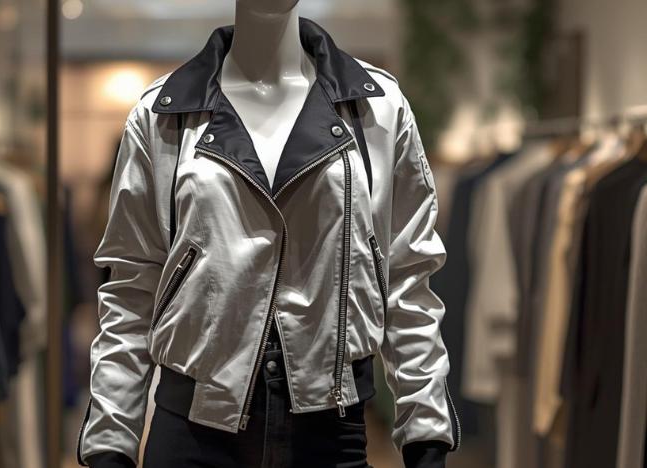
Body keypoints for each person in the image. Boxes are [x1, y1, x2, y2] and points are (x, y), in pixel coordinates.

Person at [77, 2, 460, 467]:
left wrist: (426, 433)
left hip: (329, 432)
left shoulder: (376, 109)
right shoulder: (163, 116)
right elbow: (132, 291)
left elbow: (407, 280)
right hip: (195, 433)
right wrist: (111, 441)